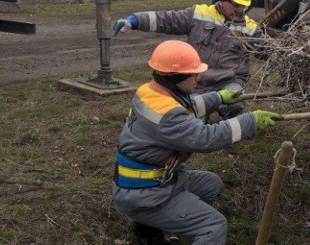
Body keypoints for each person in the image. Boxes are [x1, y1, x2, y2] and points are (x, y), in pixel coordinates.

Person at [112, 40, 281, 245]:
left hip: (148, 184)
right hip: (146, 196)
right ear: (176, 78)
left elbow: (187, 108)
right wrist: (250, 121)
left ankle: (149, 231)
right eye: (194, 74)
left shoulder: (150, 92)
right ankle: (155, 222)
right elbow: (205, 138)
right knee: (214, 225)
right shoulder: (168, 116)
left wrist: (218, 98)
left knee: (211, 184)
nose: (199, 78)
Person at [113, 0, 263, 119]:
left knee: (235, 101)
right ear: (223, 0)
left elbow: (267, 49)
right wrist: (135, 20)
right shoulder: (198, 14)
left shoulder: (251, 29)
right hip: (197, 82)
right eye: (236, 5)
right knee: (191, 115)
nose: (240, 10)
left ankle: (228, 118)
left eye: (244, 6)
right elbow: (167, 19)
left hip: (228, 82)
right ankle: (201, 118)